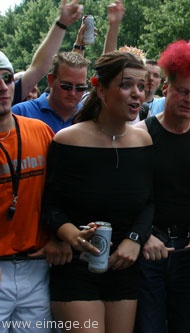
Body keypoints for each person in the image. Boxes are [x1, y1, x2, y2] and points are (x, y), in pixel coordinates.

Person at [44, 51, 154, 333]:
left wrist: (135, 240)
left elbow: (150, 201)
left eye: (141, 87)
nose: (137, 94)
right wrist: (71, 234)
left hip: (124, 265)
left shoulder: (143, 140)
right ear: (101, 89)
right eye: (127, 85)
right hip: (76, 267)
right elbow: (50, 205)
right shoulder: (68, 139)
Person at [133, 40, 190, 333]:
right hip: (148, 251)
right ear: (166, 89)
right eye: (182, 91)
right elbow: (126, 197)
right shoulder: (140, 134)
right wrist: (142, 236)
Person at [0, 51, 71, 333]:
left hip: (36, 266)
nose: (3, 88)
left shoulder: (41, 131)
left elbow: (60, 193)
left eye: (6, 78)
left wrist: (59, 235)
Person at [13, 0, 84, 106]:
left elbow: (39, 68)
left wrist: (62, 24)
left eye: (33, 90)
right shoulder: (18, 109)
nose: (29, 95)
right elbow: (37, 69)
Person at [12, 52, 89, 133]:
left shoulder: (88, 117)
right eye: (66, 86)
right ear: (51, 80)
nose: (73, 93)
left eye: (80, 88)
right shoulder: (21, 112)